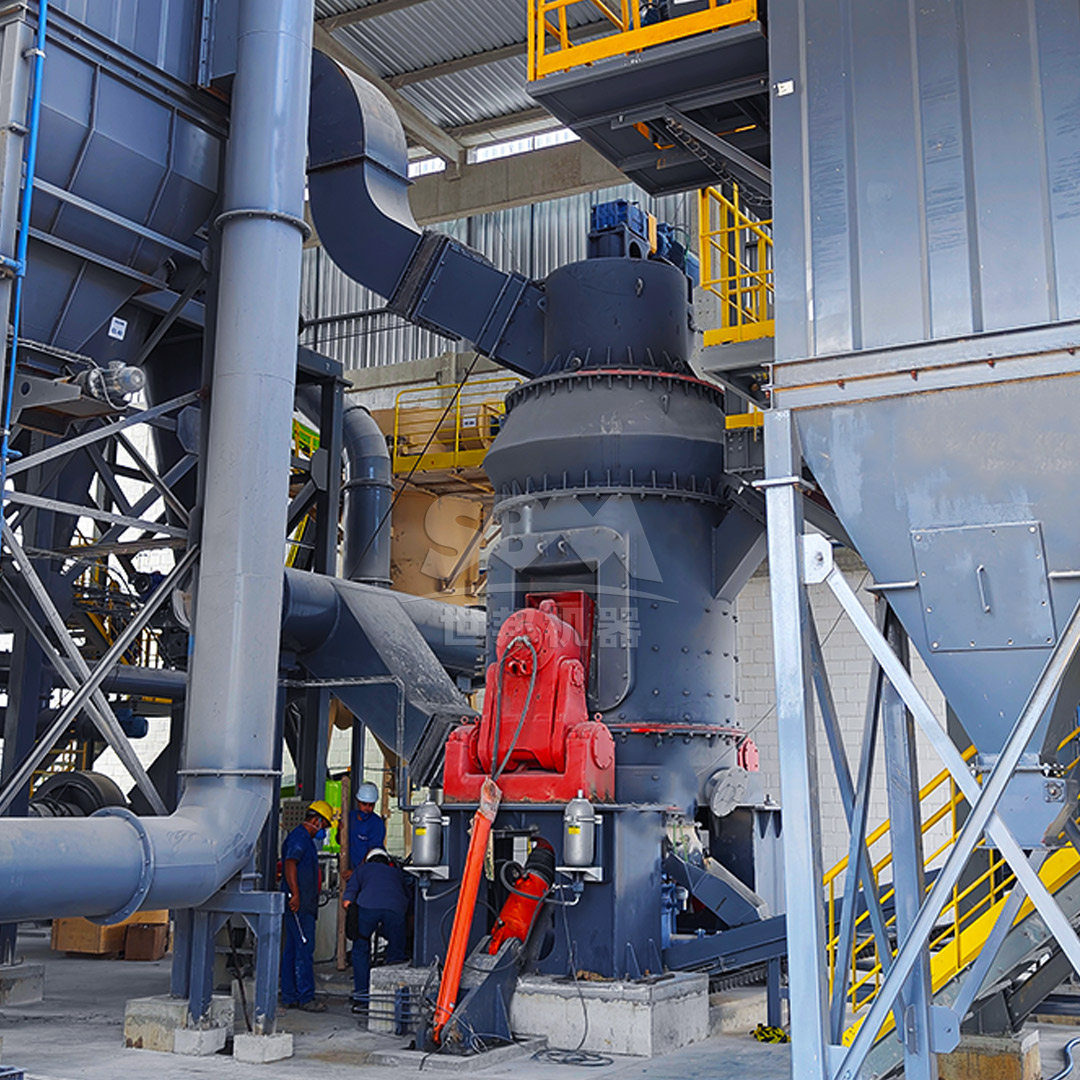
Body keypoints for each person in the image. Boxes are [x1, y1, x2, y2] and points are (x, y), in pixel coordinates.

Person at [280, 800, 335, 1012]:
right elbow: (290, 863)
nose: (325, 830)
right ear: (316, 820)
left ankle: (290, 995)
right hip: (299, 905)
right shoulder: (300, 839)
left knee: (293, 950)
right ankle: (305, 997)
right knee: (303, 949)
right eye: (325, 825)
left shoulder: (304, 839)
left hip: (303, 904)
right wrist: (295, 894)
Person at [343, 847, 410, 1013]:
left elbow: (348, 898)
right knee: (396, 954)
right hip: (396, 910)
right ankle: (393, 1000)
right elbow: (408, 897)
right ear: (387, 861)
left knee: (360, 950)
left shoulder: (362, 869)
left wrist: (352, 913)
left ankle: (362, 999)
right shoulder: (396, 873)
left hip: (367, 908)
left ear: (369, 860)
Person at [343, 781, 386, 875]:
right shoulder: (349, 818)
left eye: (371, 805)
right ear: (358, 802)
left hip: (368, 872)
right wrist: (340, 830)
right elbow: (340, 841)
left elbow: (372, 852)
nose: (367, 808)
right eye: (364, 804)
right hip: (349, 869)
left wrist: (356, 872)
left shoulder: (376, 824)